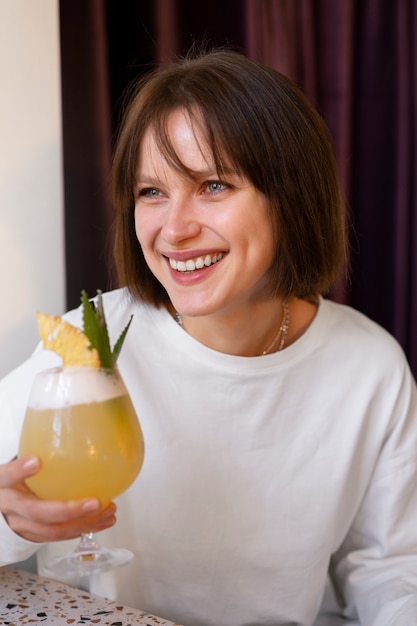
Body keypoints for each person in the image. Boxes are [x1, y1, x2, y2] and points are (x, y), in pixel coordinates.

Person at [1, 48, 417, 626]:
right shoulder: (86, 347)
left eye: (214, 185)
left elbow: (391, 568)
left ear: (291, 198)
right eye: (151, 192)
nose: (174, 228)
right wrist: (8, 520)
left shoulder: (370, 366)